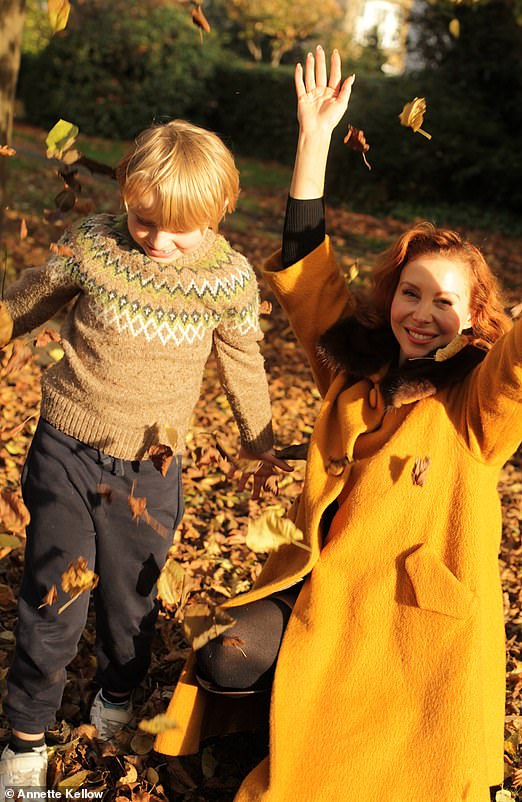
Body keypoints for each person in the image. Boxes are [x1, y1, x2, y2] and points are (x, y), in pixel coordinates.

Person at [156, 51, 522, 800]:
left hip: (407, 611)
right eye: (412, 294)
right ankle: (260, 730)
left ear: (475, 318)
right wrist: (314, 137)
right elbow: (310, 272)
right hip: (322, 579)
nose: (422, 314)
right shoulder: (354, 363)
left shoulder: (478, 405)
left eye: (445, 302)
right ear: (392, 297)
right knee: (225, 659)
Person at [0, 119, 290, 793]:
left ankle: (117, 697)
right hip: (67, 453)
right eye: (143, 220)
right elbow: (33, 294)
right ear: (126, 198)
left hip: (149, 472)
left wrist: (261, 442)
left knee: (131, 606)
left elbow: (244, 362)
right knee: (53, 597)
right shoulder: (94, 244)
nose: (157, 241)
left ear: (220, 210)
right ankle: (24, 737)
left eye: (176, 228)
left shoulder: (227, 279)